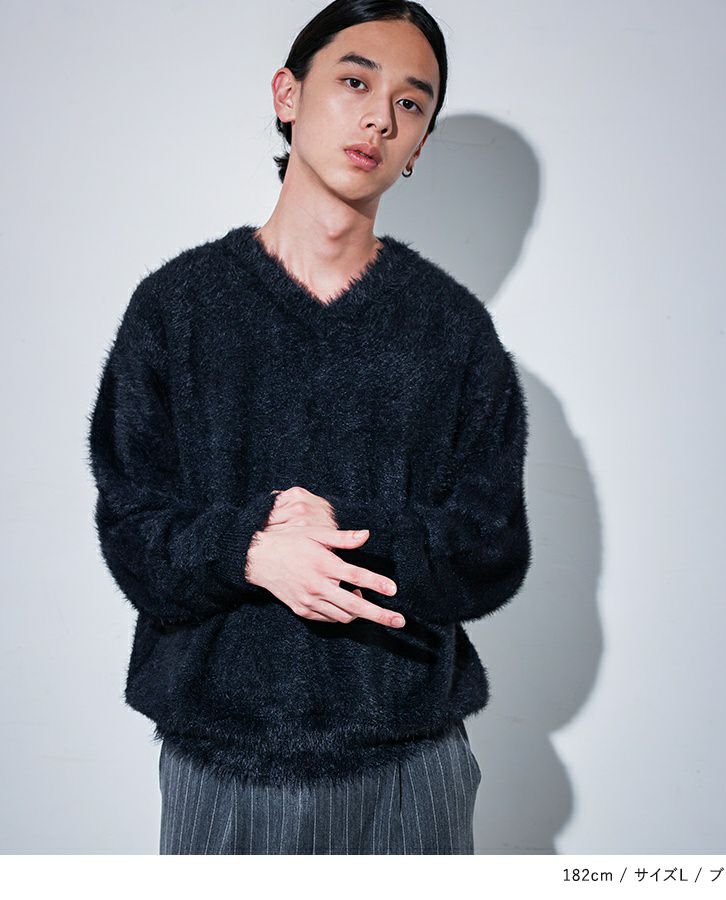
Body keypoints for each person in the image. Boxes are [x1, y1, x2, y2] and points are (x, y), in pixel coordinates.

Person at [87, 0, 532, 855]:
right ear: (287, 95)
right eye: (355, 82)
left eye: (410, 103)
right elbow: (131, 529)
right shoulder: (177, 308)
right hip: (224, 765)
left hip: (411, 763)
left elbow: (492, 546)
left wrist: (350, 533)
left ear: (419, 145)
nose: (379, 117)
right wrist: (249, 550)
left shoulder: (452, 329)